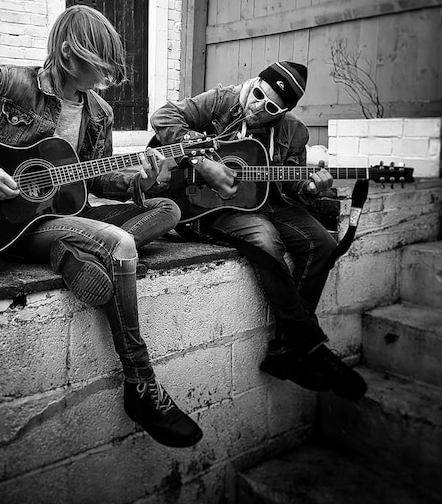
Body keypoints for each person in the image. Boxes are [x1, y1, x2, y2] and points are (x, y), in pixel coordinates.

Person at [0, 5, 203, 448]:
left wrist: (137, 178)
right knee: (120, 243)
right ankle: (141, 382)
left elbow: (96, 178)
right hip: (9, 222)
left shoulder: (98, 110)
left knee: (166, 209)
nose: (103, 78)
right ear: (68, 51)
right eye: (97, 65)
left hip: (65, 216)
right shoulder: (10, 85)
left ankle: (69, 254)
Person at [150, 61, 367, 400]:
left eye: (268, 107)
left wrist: (310, 190)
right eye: (256, 93)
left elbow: (292, 186)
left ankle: (285, 348)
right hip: (207, 205)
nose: (255, 105)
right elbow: (163, 117)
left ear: (282, 113)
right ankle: (308, 344)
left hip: (266, 201)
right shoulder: (223, 100)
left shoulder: (295, 133)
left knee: (323, 243)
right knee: (265, 237)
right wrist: (202, 162)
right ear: (253, 84)